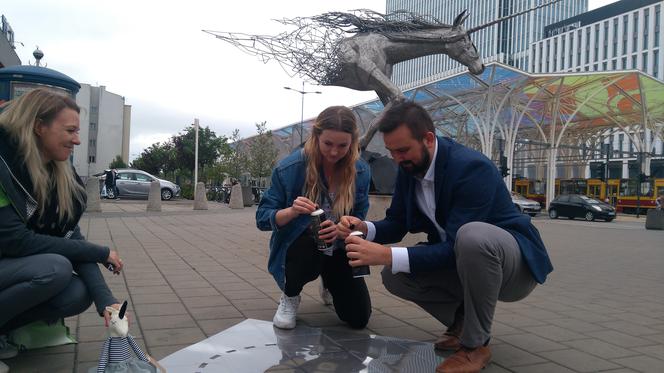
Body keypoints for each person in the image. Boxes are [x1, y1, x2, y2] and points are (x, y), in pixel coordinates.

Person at [339, 100, 553, 373]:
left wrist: (385, 254)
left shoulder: (471, 168)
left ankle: (475, 346)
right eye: (391, 152)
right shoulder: (409, 169)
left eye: (403, 150)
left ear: (428, 138)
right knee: (394, 275)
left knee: (472, 235)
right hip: (463, 260)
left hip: (513, 267)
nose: (397, 159)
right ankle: (463, 323)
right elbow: (396, 223)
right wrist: (363, 228)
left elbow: (455, 245)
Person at [0, 89, 125, 372]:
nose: (77, 140)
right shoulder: (2, 167)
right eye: (70, 130)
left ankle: (5, 331)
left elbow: (69, 236)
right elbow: (15, 242)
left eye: (78, 131)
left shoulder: (54, 173)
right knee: (53, 268)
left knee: (79, 293)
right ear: (39, 126)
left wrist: (106, 301)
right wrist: (102, 252)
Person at [256, 105, 372, 330]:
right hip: (302, 248)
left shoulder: (361, 171)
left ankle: (329, 281)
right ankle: (290, 295)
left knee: (358, 319)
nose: (335, 152)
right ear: (316, 135)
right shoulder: (290, 168)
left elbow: (359, 218)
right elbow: (262, 218)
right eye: (328, 143)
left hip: (338, 249)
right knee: (306, 245)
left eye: (343, 146)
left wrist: (345, 227)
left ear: (353, 142)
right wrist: (291, 211)